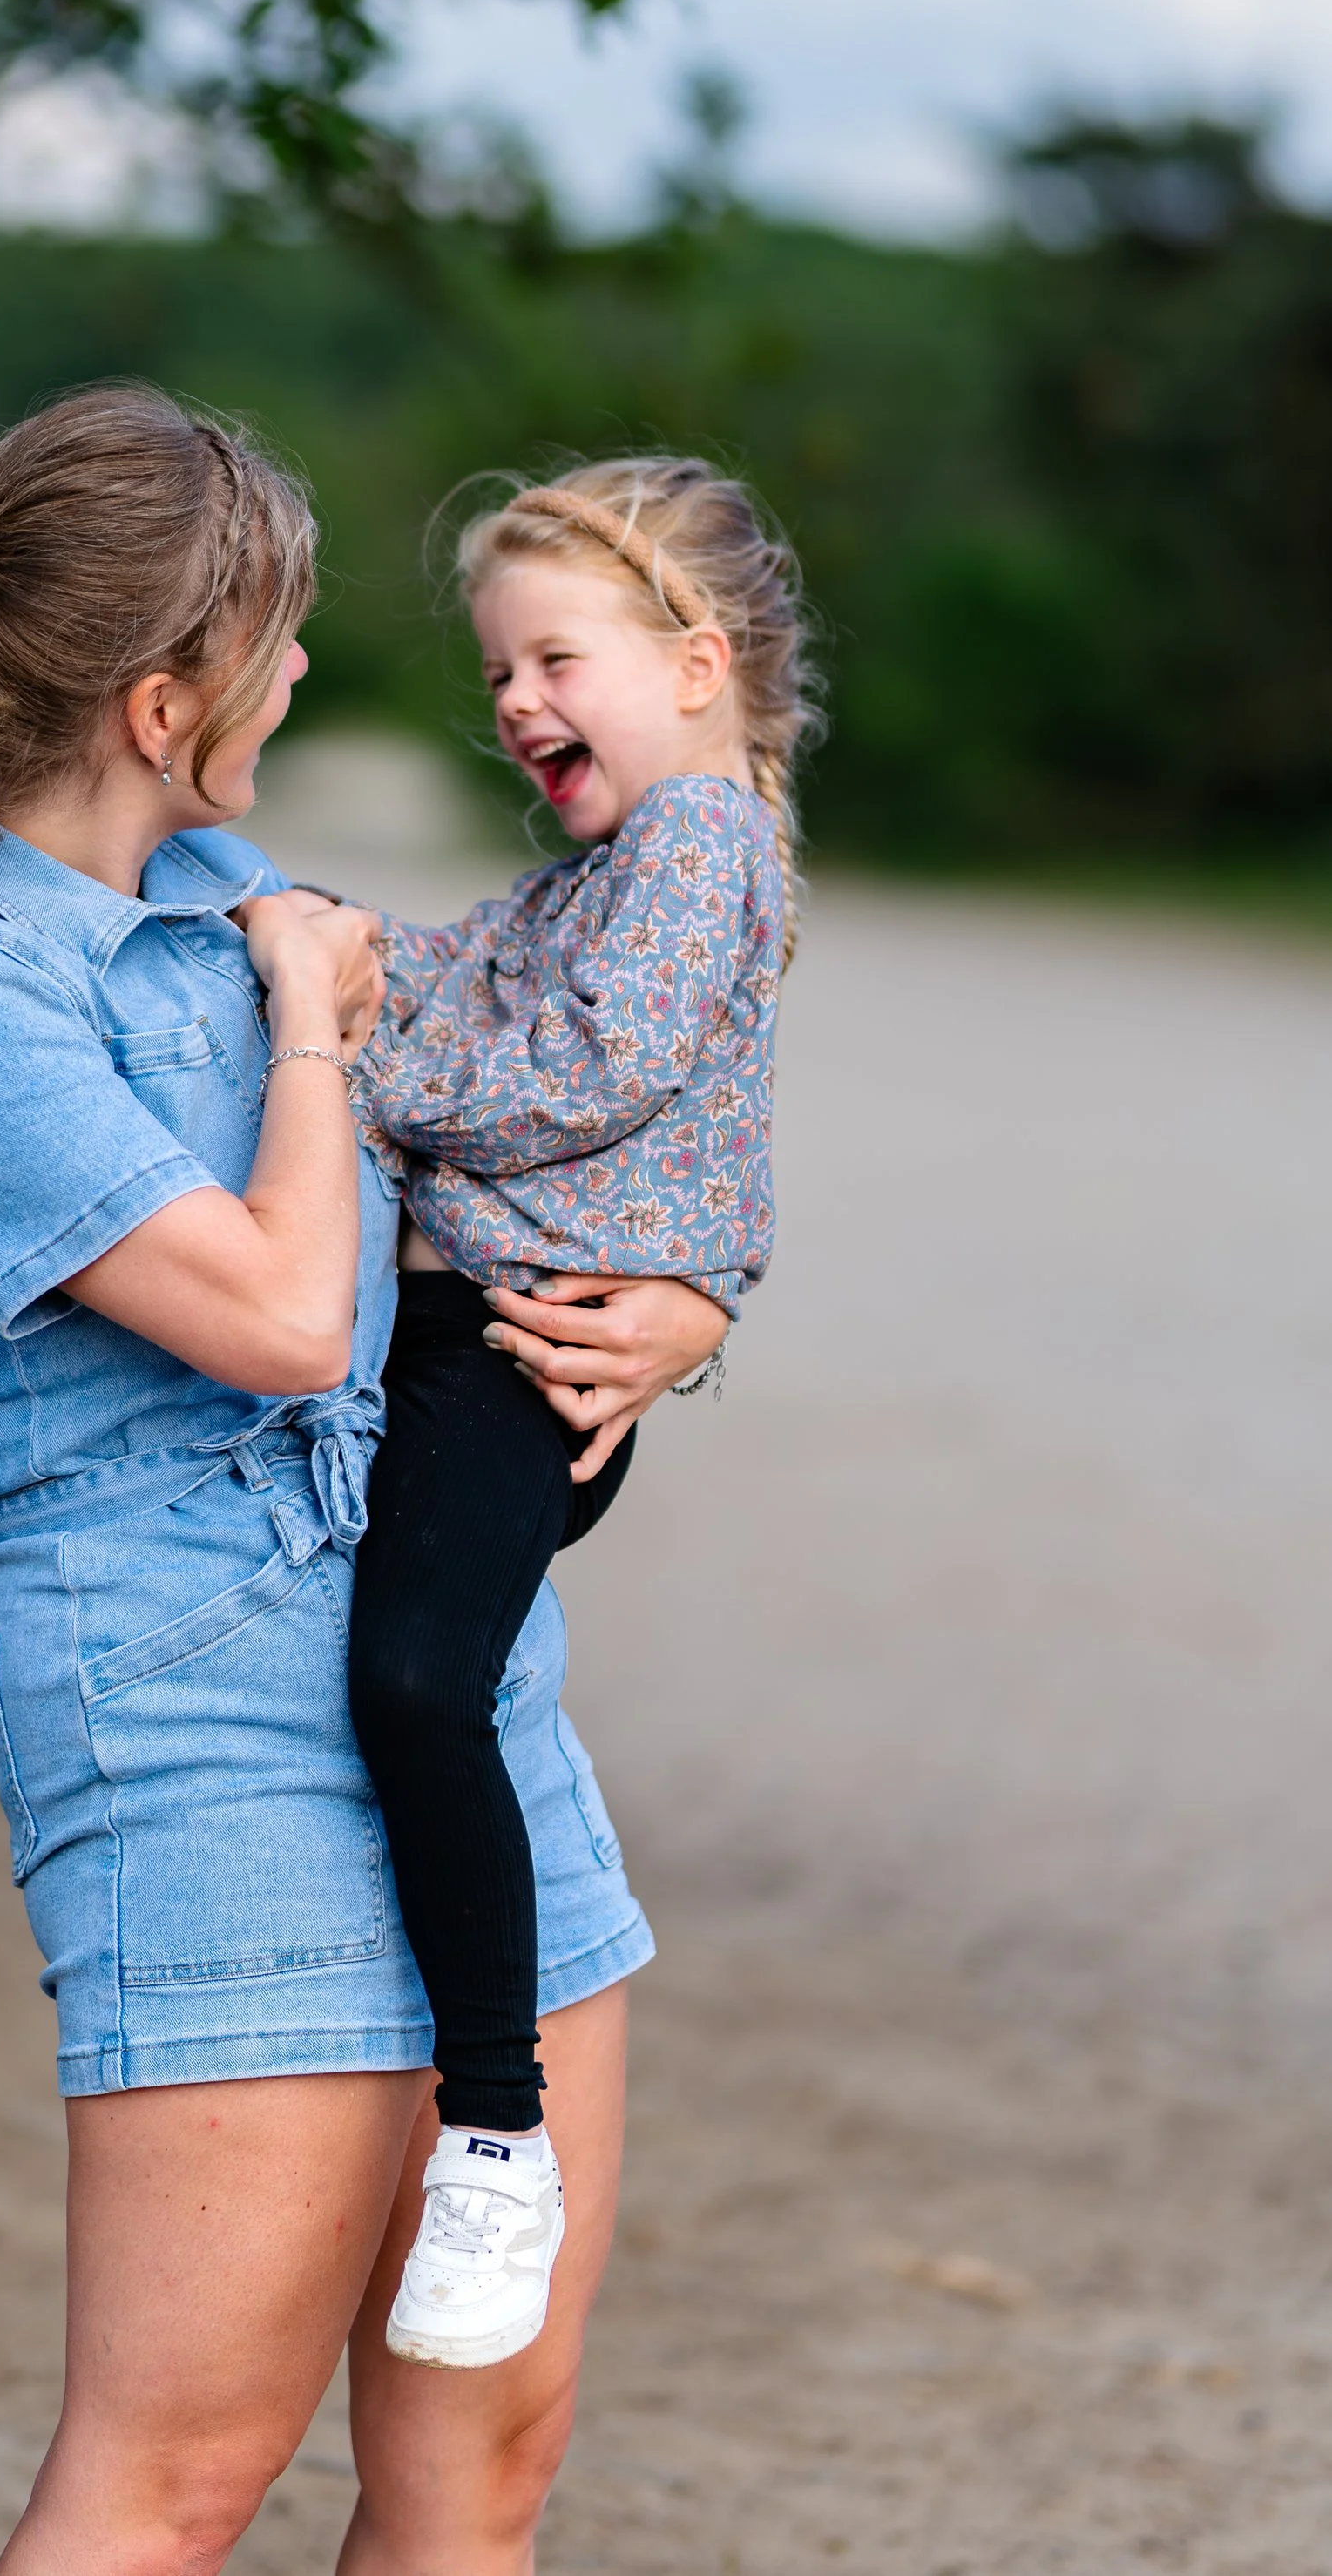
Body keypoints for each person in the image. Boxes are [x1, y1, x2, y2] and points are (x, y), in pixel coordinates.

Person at [0, 384, 728, 2575]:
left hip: (454, 1688)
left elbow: (519, 1140)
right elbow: (290, 1319)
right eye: (278, 643)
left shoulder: (220, 888)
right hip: (193, 1729)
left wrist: (683, 1314)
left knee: (490, 2450)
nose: (305, 676)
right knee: (181, 2470)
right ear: (161, 693)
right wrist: (307, 1017)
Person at [345, 460, 814, 2371]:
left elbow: (580, 1062)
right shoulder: (610, 870)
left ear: (692, 664)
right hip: (472, 1340)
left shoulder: (698, 839)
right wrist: (323, 931)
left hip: (518, 1364)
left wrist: (344, 1032)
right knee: (385, 1673)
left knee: (408, 1684)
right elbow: (485, 969)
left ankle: (492, 2132)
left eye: (555, 657)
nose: (517, 700)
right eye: (498, 671)